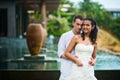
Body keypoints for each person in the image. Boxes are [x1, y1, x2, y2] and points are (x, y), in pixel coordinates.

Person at [57, 15, 84, 80]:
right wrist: (73, 58)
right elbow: (60, 53)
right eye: (77, 24)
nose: (79, 27)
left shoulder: (84, 37)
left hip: (80, 69)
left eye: (81, 25)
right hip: (67, 69)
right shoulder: (64, 36)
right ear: (73, 23)